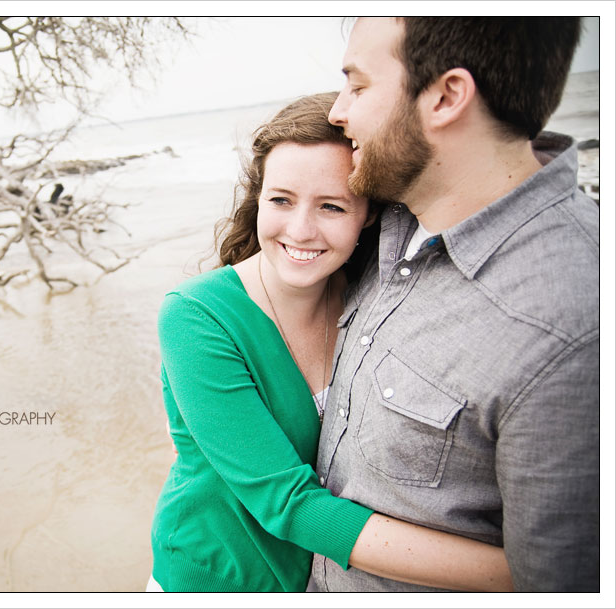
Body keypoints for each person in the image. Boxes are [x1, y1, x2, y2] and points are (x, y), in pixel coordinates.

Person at [148, 92, 514, 592]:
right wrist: (525, 573)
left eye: (332, 206)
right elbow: (288, 504)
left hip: (319, 580)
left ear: (367, 214)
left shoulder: (372, 297)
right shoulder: (197, 317)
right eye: (280, 200)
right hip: (213, 580)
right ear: (258, 198)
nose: (300, 230)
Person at [308, 17, 599, 592]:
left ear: (445, 97)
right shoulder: (388, 218)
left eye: (359, 86)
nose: (338, 112)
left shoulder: (572, 326)